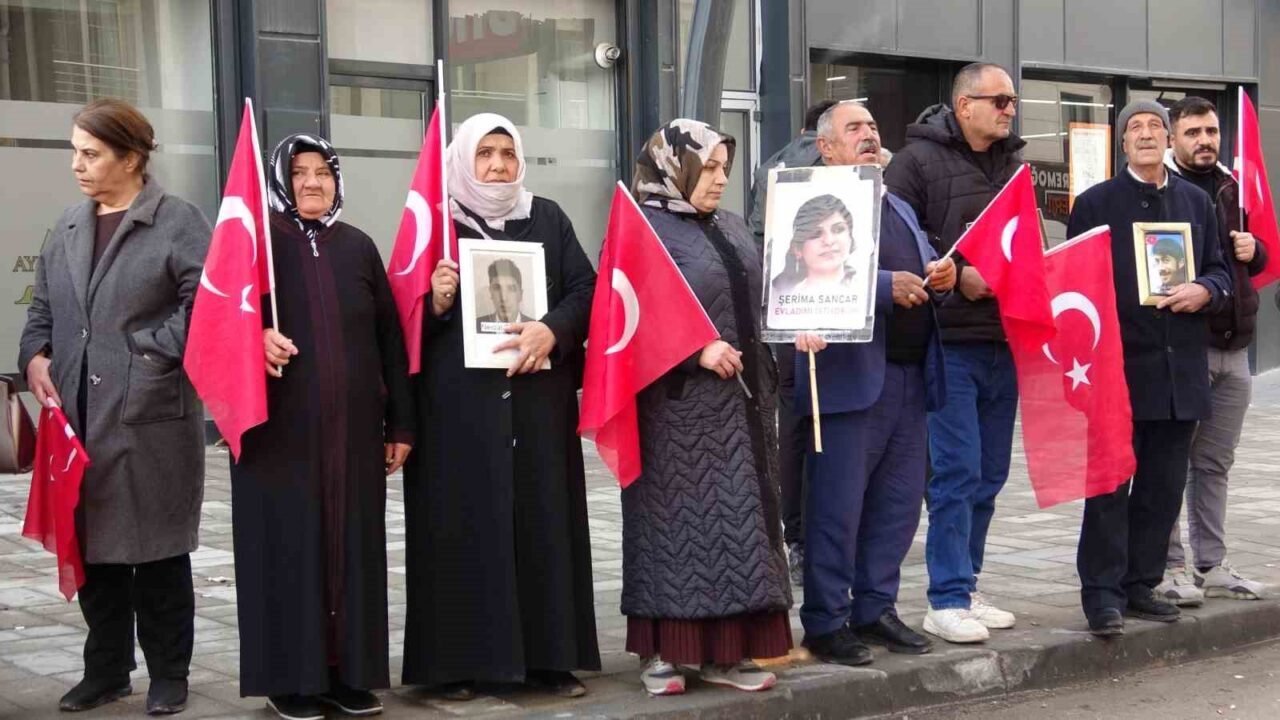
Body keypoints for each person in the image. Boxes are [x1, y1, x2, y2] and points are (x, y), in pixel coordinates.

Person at [18, 98, 210, 715]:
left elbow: (206, 304)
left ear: (131, 158)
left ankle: (169, 675)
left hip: (150, 416)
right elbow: (42, 311)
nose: (77, 164)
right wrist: (36, 358)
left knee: (157, 552)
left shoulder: (177, 220)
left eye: (90, 153)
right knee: (94, 550)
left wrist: (146, 353)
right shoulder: (71, 224)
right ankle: (106, 670)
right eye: (75, 151)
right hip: (78, 416)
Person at [401, 113, 600, 701]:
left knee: (543, 522)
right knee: (464, 528)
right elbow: (397, 319)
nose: (496, 165)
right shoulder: (438, 222)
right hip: (460, 412)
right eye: (484, 153)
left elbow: (585, 290)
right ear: (464, 158)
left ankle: (550, 658)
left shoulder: (547, 218)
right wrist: (433, 302)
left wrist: (552, 331)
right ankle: (456, 666)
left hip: (537, 403)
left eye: (507, 154)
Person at [229, 133, 414, 720]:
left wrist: (401, 423)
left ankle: (350, 674)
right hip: (277, 437)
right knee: (289, 551)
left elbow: (391, 340)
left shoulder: (357, 247)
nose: (312, 182)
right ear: (282, 179)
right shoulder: (254, 246)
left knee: (352, 551)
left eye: (324, 172)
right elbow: (211, 320)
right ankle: (292, 679)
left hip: (355, 436)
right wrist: (252, 338)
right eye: (300, 171)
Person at [624, 119, 792, 696]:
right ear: (676, 166)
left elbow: (760, 295)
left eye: (724, 167)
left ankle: (731, 653)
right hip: (677, 413)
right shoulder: (641, 230)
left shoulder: (733, 226)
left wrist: (796, 324)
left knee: (745, 523)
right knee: (679, 528)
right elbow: (623, 320)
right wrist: (695, 351)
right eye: (710, 167)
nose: (720, 178)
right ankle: (665, 654)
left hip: (746, 409)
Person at [793, 100, 956, 665]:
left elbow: (926, 264)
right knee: (837, 508)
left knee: (897, 506)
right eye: (854, 128)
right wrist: (885, 286)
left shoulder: (898, 204)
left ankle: (875, 608)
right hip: (846, 379)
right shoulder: (812, 204)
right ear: (827, 147)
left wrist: (944, 274)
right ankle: (826, 619)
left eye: (872, 126)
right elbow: (801, 283)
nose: (869, 135)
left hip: (910, 378)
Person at [1066, 99, 1232, 637]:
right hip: (1117, 370)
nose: (1145, 134)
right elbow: (1073, 285)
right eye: (1133, 127)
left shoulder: (1197, 203)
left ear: (1167, 139)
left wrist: (1204, 290)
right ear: (1121, 143)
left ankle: (1142, 583)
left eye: (1154, 126)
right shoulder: (1094, 204)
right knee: (1110, 487)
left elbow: (1222, 272)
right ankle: (1102, 595)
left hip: (1180, 372)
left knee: (1162, 489)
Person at [883, 62, 1025, 644]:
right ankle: (943, 596)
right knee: (956, 471)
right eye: (999, 100)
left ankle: (967, 584)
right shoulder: (914, 164)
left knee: (990, 474)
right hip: (948, 344)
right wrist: (958, 273)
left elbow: (1023, 244)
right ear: (964, 104)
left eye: (1013, 102)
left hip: (1004, 337)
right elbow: (893, 241)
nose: (1009, 110)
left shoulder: (1015, 167)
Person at [1156, 96, 1270, 605]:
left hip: (1235, 347)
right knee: (1172, 460)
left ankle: (1211, 562)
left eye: (1211, 131)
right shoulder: (1164, 191)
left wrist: (1256, 249)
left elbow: (1252, 256)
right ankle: (1170, 566)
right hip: (1186, 347)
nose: (1205, 140)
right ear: (1172, 138)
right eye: (1193, 132)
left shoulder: (1231, 185)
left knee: (1215, 463)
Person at [747, 100, 835, 586]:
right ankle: (814, 533)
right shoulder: (839, 171)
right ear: (823, 136)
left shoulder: (770, 167)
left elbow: (759, 240)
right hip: (830, 312)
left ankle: (795, 535)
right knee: (824, 424)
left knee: (794, 423)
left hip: (785, 309)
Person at [769, 194, 858, 296]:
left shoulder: (870, 291)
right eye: (815, 234)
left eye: (838, 230)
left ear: (850, 238)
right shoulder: (779, 297)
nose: (829, 241)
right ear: (797, 249)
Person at [475, 258, 533, 332]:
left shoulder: (535, 326)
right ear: (490, 292)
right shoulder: (475, 326)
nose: (504, 298)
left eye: (511, 289)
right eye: (497, 288)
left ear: (520, 295)